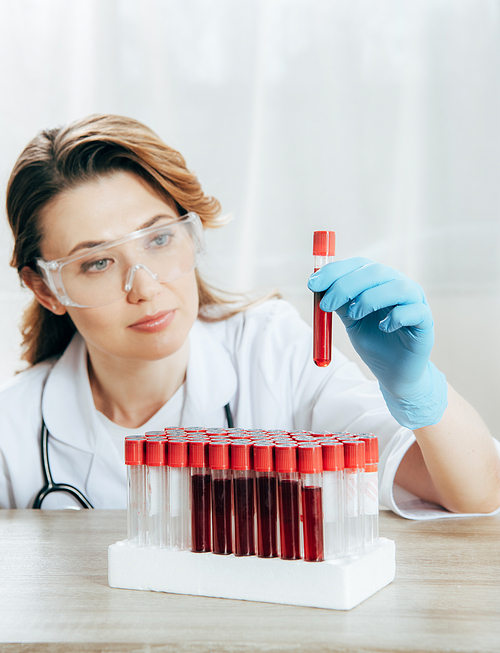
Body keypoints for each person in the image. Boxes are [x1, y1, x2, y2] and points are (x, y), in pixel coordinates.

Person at [0, 113, 499, 515]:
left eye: (158, 238)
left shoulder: (270, 351)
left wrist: (420, 392)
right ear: (46, 289)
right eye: (98, 262)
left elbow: (476, 495)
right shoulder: (14, 427)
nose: (145, 287)